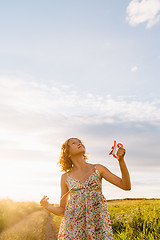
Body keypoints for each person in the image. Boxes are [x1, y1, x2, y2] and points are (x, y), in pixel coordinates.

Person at [40, 137, 131, 239]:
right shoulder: (65, 177)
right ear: (68, 153)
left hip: (97, 225)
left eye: (80, 142)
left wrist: (121, 161)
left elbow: (126, 186)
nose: (79, 144)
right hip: (74, 229)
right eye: (74, 143)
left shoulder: (98, 169)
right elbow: (62, 210)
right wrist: (47, 206)